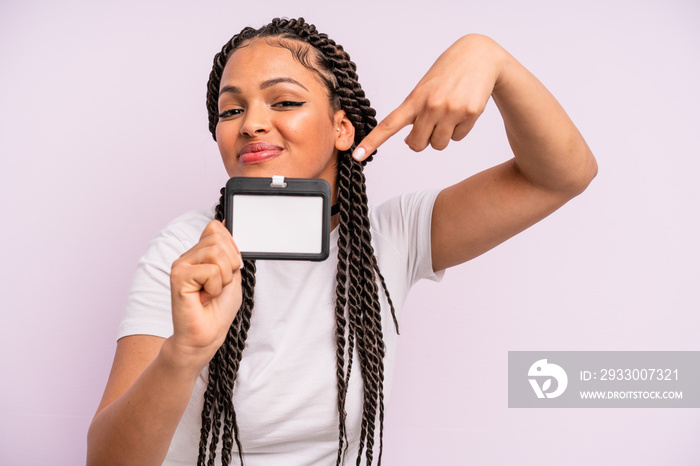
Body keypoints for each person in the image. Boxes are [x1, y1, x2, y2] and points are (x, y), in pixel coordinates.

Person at [87, 17, 597, 466]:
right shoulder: (183, 253)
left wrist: (491, 57)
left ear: (342, 128)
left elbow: (560, 175)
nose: (252, 124)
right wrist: (184, 352)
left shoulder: (390, 239)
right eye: (229, 111)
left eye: (284, 100)